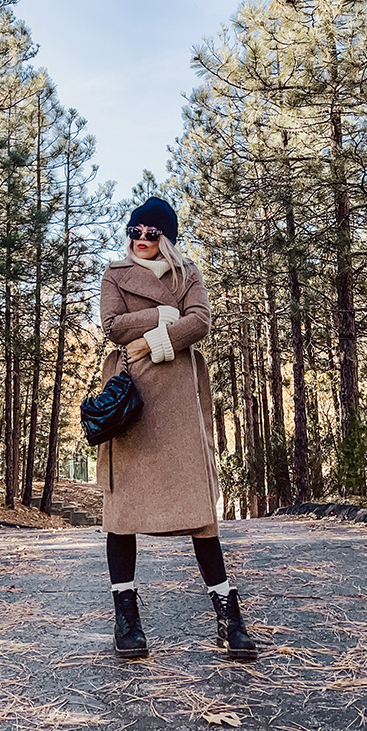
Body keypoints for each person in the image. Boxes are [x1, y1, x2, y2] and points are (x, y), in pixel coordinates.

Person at [96, 196, 257, 661]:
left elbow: (201, 321)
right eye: (136, 232)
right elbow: (112, 326)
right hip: (131, 400)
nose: (142, 241)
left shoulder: (188, 274)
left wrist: (153, 343)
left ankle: (230, 619)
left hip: (181, 403)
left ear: (166, 239)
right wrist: (164, 318)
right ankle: (126, 619)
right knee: (123, 511)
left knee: (200, 514)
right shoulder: (114, 275)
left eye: (152, 234)